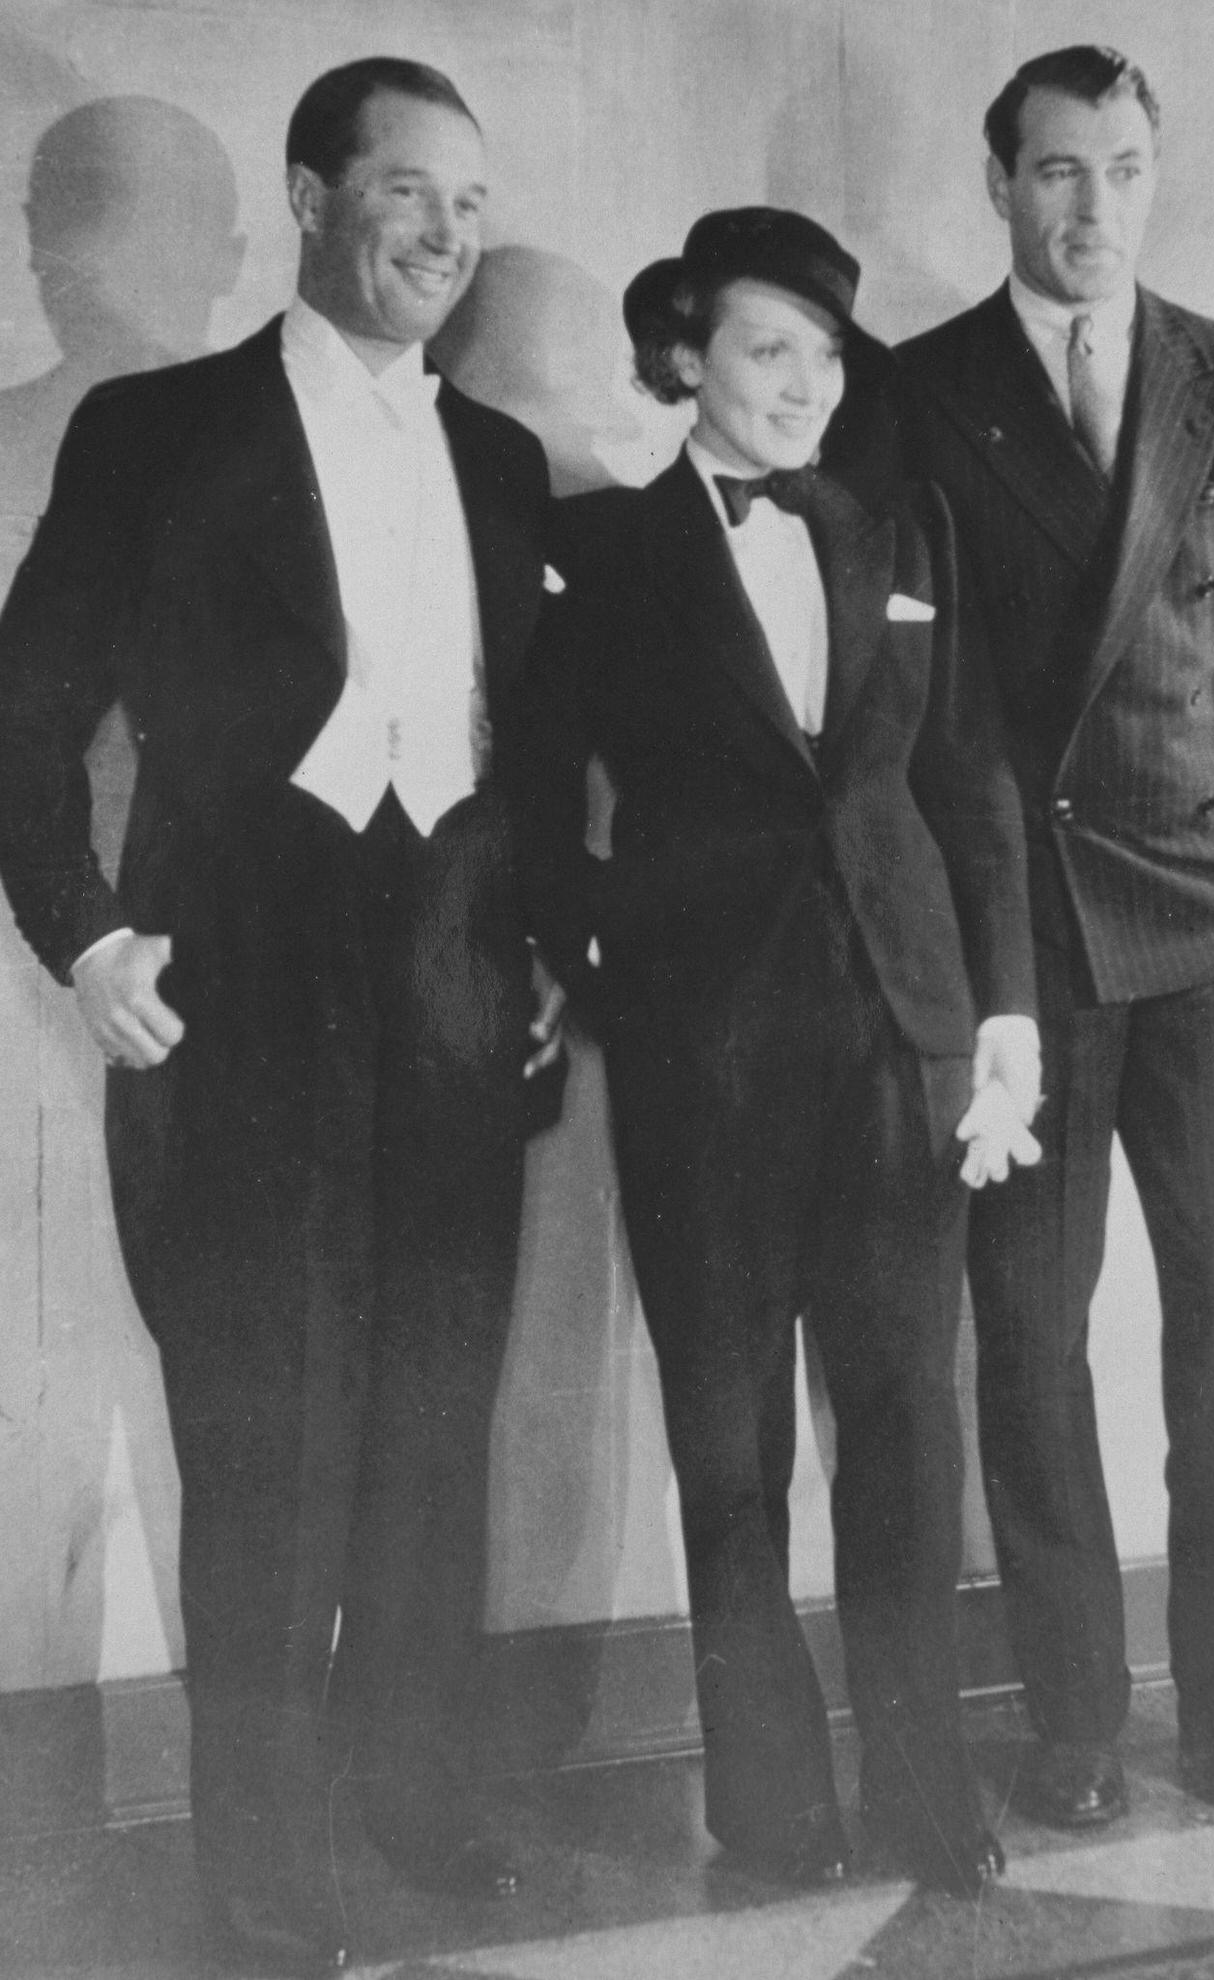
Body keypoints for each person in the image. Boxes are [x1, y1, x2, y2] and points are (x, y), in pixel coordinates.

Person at [0, 57, 564, 1975]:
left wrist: (544, 951)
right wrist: (83, 941)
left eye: (472, 209)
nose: (445, 235)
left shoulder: (495, 458)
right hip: (235, 1008)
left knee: (428, 1433)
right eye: (410, 193)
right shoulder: (155, 435)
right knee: (267, 1451)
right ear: (311, 200)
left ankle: (409, 1804)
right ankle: (261, 1864)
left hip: (451, 1002)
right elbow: (24, 714)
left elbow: (529, 742)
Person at [511, 207, 1041, 1894]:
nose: (805, 382)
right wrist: (609, 960)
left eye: (824, 352)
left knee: (904, 1427)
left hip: (903, 1044)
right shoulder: (600, 553)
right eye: (765, 348)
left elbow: (968, 788)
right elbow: (533, 798)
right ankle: (772, 1807)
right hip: (704, 1062)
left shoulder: (901, 527)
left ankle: (924, 1795)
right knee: (726, 1448)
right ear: (683, 358)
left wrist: (1001, 1018)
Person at [888, 46, 1214, 1830]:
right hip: (1020, 935)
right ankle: (1076, 1716)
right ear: (998, 181)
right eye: (1062, 172)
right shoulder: (917, 392)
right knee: (1029, 1330)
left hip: (1209, 922)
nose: (1096, 210)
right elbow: (906, 697)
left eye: (1128, 171)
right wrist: (945, 959)